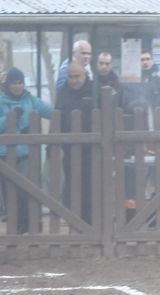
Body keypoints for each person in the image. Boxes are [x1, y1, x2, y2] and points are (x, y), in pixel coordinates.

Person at [0, 67, 53, 232]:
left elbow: (51, 112)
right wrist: (10, 118)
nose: (17, 86)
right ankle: (16, 227)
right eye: (14, 83)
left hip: (25, 155)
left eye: (20, 83)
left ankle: (30, 224)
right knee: (11, 194)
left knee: (27, 192)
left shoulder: (30, 100)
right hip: (6, 155)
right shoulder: (1, 102)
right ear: (8, 85)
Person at [55, 62, 94, 223]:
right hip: (70, 149)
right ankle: (75, 220)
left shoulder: (94, 91)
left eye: (77, 76)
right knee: (72, 185)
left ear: (84, 75)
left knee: (90, 186)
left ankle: (90, 220)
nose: (73, 80)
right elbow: (57, 116)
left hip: (92, 150)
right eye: (70, 77)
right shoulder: (63, 93)